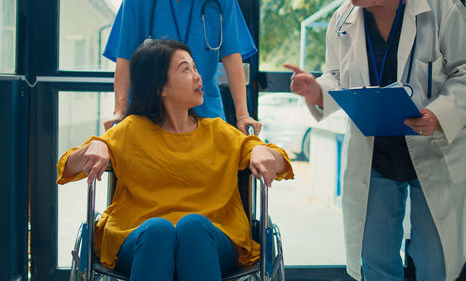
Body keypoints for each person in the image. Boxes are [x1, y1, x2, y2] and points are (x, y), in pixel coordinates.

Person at [57, 40, 293, 281]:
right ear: (160, 87)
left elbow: (282, 164)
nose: (198, 77)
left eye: (195, 68)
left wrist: (263, 151)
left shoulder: (217, 131)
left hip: (212, 238)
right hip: (140, 238)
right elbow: (67, 166)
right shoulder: (131, 130)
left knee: (193, 227)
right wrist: (97, 144)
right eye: (185, 69)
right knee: (158, 230)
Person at [284, 0, 466, 280]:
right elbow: (337, 78)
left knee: (434, 260)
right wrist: (316, 90)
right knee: (376, 258)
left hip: (433, 147)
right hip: (375, 153)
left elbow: (463, 73)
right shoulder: (342, 18)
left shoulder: (443, 9)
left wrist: (438, 115)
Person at [102, 0, 262, 135]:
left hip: (204, 109)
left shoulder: (222, 2)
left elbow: (232, 56)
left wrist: (242, 115)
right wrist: (120, 111)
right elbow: (124, 58)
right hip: (149, 111)